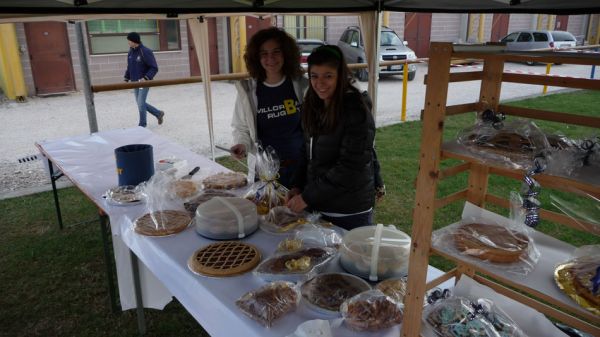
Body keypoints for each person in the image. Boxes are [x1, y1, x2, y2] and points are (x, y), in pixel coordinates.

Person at [286, 45, 376, 230]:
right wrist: (297, 185)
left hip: (349, 210)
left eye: (328, 76)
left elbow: (350, 167)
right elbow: (307, 151)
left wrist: (307, 197)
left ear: (340, 76)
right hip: (319, 205)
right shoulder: (312, 103)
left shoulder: (355, 109)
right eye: (314, 76)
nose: (320, 83)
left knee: (349, 258)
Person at [230, 27, 308, 188]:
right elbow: (241, 127)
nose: (270, 58)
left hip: (300, 168)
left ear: (286, 53)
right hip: (265, 172)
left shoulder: (302, 85)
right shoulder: (249, 91)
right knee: (267, 212)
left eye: (276, 51)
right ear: (256, 57)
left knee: (299, 213)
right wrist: (242, 144)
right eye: (263, 53)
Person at [124, 32, 165, 127]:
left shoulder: (145, 51)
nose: (128, 43)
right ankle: (158, 113)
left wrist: (145, 78)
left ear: (135, 41)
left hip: (144, 82)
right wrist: (126, 78)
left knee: (141, 103)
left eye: (129, 40)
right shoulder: (130, 52)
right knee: (140, 103)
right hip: (134, 82)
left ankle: (142, 125)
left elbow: (154, 67)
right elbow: (129, 66)